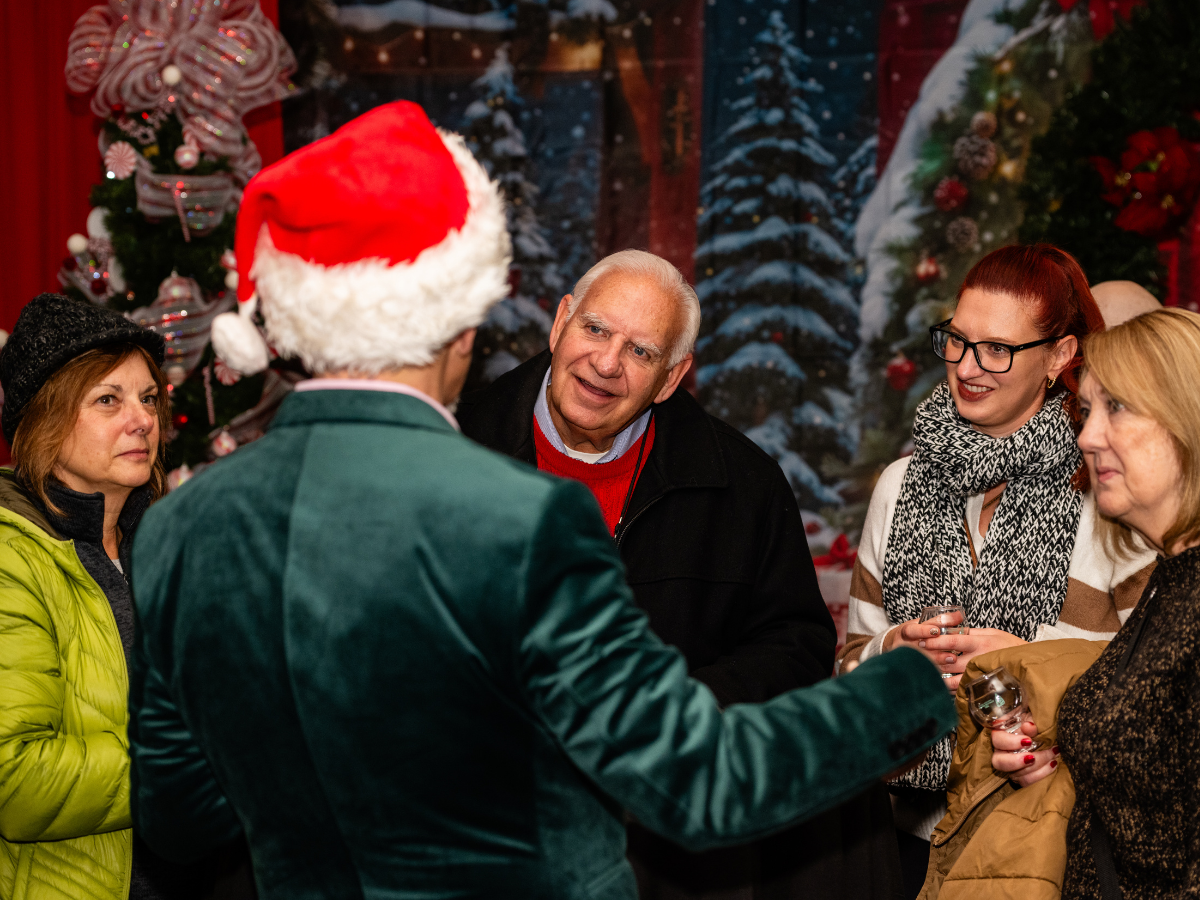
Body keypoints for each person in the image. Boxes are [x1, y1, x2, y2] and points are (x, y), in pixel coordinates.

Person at [126, 100, 955, 900]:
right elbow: (704, 784)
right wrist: (911, 684)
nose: (605, 362)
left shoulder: (180, 525)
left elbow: (178, 815)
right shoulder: (524, 520)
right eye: (596, 332)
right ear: (462, 328)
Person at [457, 250, 900, 900]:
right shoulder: (453, 446)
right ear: (559, 325)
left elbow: (795, 645)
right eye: (596, 330)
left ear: (671, 377)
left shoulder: (740, 483)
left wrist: (671, 712)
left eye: (641, 352)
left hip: (663, 829)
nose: (606, 364)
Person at [837, 244, 1157, 897]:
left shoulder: (1112, 494)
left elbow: (1156, 689)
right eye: (956, 340)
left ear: (1061, 356)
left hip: (1054, 846)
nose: (966, 367)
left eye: (997, 349)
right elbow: (847, 663)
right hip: (906, 840)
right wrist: (892, 650)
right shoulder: (899, 487)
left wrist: (1027, 668)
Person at [0, 295, 250, 900]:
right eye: (108, 399)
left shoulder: (166, 543)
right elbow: (14, 782)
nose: (142, 419)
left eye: (147, 398)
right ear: (44, 419)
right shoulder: (12, 558)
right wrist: (191, 757)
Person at [991, 308, 1200, 900]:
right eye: (1086, 410)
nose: (1086, 436)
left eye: (1119, 407)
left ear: (1187, 416)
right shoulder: (1174, 578)